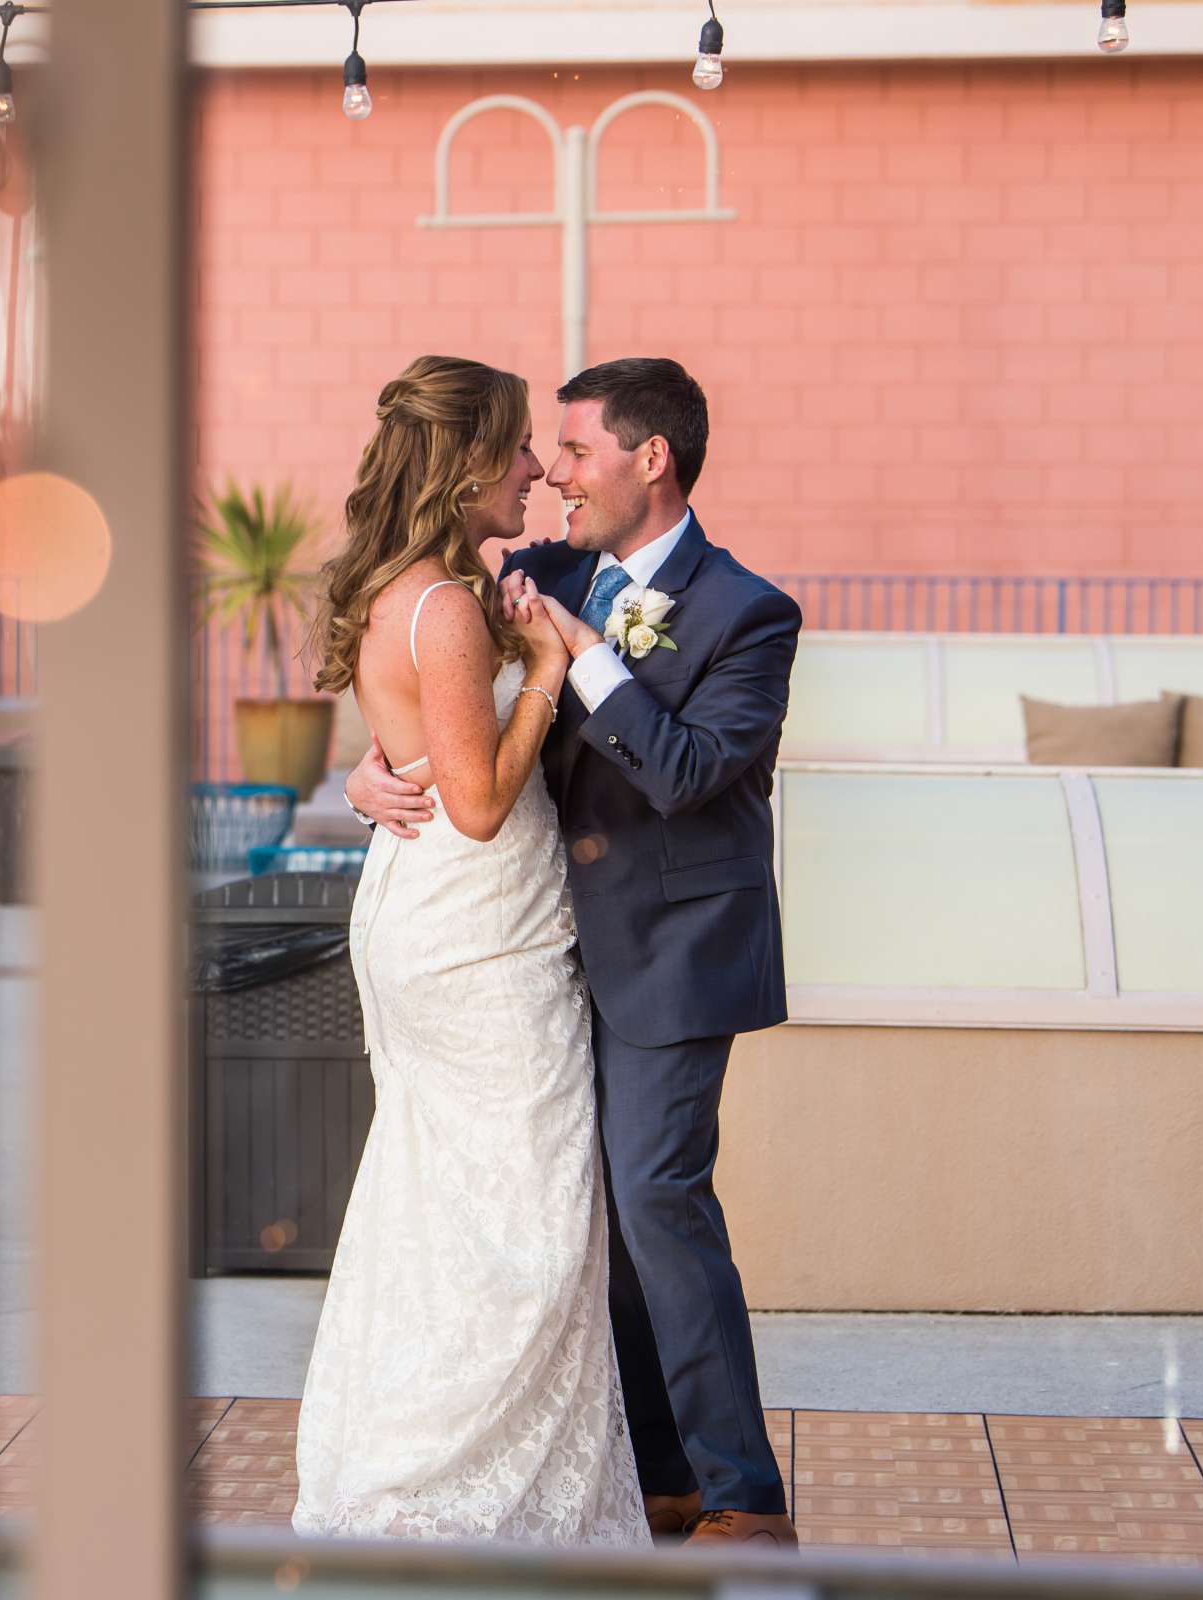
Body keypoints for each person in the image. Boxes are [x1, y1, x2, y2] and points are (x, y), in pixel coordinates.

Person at [343, 357, 801, 1548]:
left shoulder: (751, 612)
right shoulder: (534, 573)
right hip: (525, 949)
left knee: (654, 1194)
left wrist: (579, 660)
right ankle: (663, 1473)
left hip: (668, 949)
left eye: (580, 451)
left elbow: (698, 771)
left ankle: (745, 1491)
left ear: (652, 459)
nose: (553, 474)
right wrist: (374, 770)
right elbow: (427, 684)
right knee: (579, 1210)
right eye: (544, 450)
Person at [289, 355, 647, 1546]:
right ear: (468, 466)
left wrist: (376, 765)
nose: (539, 470)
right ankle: (445, 1484)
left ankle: (414, 1451)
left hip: (431, 917)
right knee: (526, 1219)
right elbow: (483, 801)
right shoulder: (444, 609)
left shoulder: (413, 586)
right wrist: (545, 672)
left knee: (438, 1200)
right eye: (520, 452)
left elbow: (420, 754)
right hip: (475, 939)